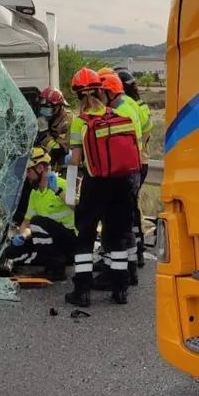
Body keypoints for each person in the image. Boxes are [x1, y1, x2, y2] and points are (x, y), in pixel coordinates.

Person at [64, 68, 139, 306]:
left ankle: (82, 290)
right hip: (121, 182)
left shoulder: (79, 122)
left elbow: (75, 159)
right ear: (101, 90)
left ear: (78, 95)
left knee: (85, 235)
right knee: (116, 237)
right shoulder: (115, 114)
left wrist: (70, 185)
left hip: (95, 183)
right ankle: (120, 289)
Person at [95, 68, 143, 285]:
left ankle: (117, 274)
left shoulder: (120, 114)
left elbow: (110, 147)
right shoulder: (128, 107)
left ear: (109, 93)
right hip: (131, 170)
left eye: (100, 94)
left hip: (120, 174)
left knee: (114, 228)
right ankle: (130, 269)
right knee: (125, 225)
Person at [3, 147, 77, 280]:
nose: (26, 174)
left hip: (68, 239)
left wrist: (57, 191)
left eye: (29, 170)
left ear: (41, 168)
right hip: (48, 239)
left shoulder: (62, 184)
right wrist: (21, 237)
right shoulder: (34, 192)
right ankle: (48, 258)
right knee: (10, 252)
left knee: (37, 221)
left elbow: (79, 207)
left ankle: (56, 268)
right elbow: (26, 222)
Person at [116, 67, 154, 267]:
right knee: (133, 205)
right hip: (143, 160)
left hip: (134, 162)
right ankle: (138, 247)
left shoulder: (128, 106)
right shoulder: (142, 105)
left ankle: (134, 250)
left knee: (128, 208)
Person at [34, 86, 72, 169]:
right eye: (42, 108)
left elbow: (58, 151)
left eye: (48, 108)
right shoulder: (49, 119)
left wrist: (44, 134)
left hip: (64, 169)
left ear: (58, 107)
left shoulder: (66, 122)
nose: (44, 111)